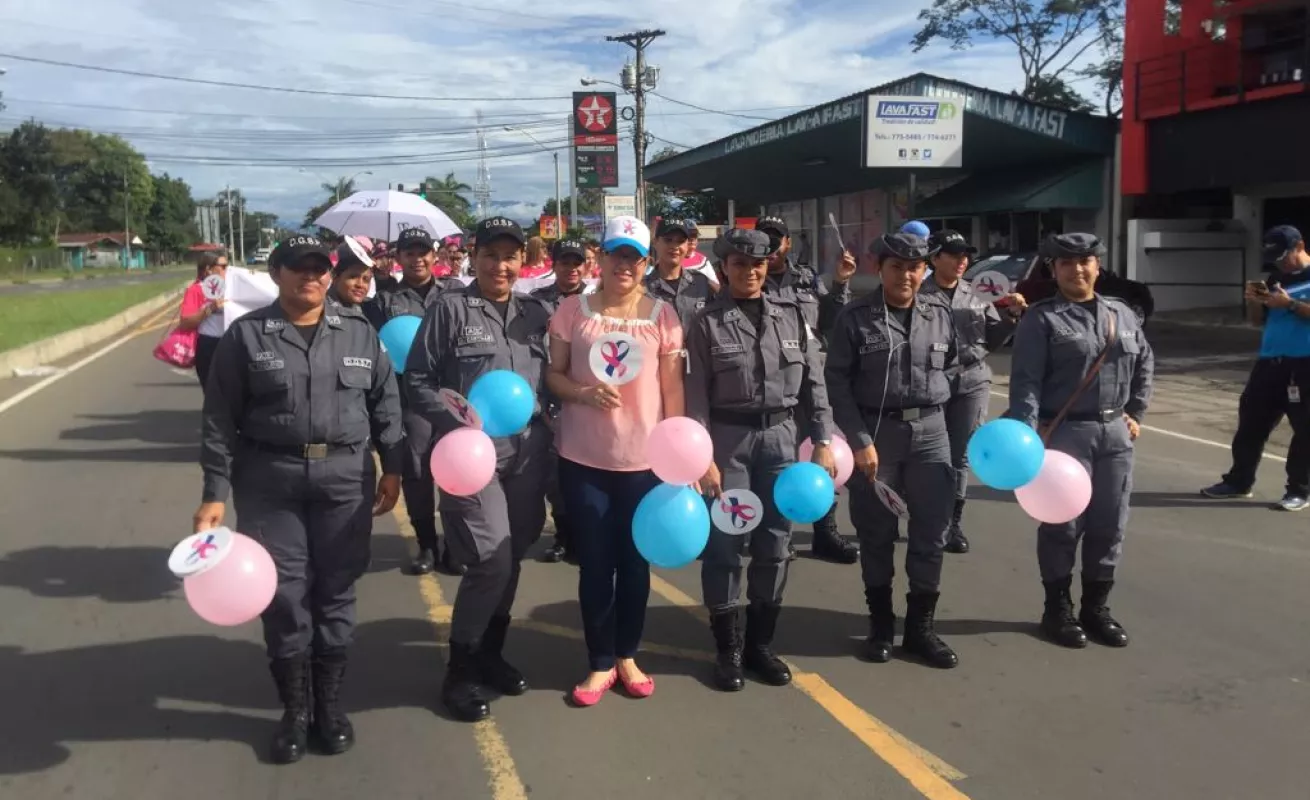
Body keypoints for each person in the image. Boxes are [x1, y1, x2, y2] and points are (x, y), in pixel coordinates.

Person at [193, 234, 404, 764]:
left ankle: (329, 706)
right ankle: (295, 710)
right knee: (284, 595)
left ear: (329, 275)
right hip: (270, 479)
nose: (310, 276)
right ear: (277, 272)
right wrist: (213, 492)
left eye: (319, 268)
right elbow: (219, 419)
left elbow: (386, 404)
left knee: (335, 591)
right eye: (298, 267)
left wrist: (394, 468)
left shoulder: (359, 332)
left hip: (343, 478)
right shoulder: (245, 337)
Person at [405, 216, 553, 722]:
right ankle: (461, 667)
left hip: (528, 451)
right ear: (475, 256)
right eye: (491, 254)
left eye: (510, 256)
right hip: (472, 453)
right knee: (491, 554)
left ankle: (492, 651)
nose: (501, 265)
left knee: (515, 553)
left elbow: (552, 378)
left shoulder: (536, 314)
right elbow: (418, 379)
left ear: (521, 260)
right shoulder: (449, 309)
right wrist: (456, 420)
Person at [686, 228, 837, 692]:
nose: (748, 271)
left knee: (776, 541)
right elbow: (695, 398)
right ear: (724, 266)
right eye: (738, 263)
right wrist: (701, 457)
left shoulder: (792, 316)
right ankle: (728, 649)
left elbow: (814, 384)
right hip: (728, 441)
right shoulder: (705, 321)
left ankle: (760, 646)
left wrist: (824, 439)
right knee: (725, 544)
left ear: (768, 265)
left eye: (757, 264)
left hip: (782, 440)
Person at [544, 215, 685, 707]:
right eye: (615, 254)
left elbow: (672, 392)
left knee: (635, 565)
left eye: (634, 256)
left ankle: (628, 654)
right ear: (599, 259)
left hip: (645, 465)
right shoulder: (571, 310)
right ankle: (600, 661)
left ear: (646, 264)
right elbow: (554, 377)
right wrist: (582, 393)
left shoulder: (663, 316)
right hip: (584, 460)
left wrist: (680, 456)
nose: (624, 264)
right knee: (595, 565)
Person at [1007, 233, 1154, 649]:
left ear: (1097, 266)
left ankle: (1096, 609)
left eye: (1085, 261)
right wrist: (1027, 433)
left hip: (1114, 436)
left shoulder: (1122, 314)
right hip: (1063, 433)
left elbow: (1144, 361)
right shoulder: (1042, 319)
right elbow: (1027, 383)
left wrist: (1136, 412)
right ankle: (1058, 609)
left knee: (1110, 525)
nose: (1077, 270)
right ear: (1053, 269)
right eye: (1066, 263)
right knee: (1062, 525)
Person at [825, 232, 960, 669]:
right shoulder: (855, 317)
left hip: (931, 434)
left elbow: (954, 368)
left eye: (914, 267)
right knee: (876, 533)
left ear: (925, 270)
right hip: (877, 436)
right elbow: (837, 383)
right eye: (896, 266)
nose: (906, 274)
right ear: (880, 269)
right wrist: (859, 440)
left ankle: (921, 629)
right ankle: (881, 624)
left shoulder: (940, 313)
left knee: (931, 532)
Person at [755, 214, 859, 565]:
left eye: (776, 239)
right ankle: (774, 534)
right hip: (771, 382)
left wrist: (842, 282)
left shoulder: (806, 279)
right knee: (778, 459)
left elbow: (830, 321)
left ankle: (825, 532)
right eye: (763, 238)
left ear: (787, 243)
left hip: (812, 378)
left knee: (823, 450)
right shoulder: (748, 278)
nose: (769, 245)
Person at [919, 230, 1026, 554]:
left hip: (972, 379)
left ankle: (952, 523)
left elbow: (991, 340)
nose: (962, 260)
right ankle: (921, 514)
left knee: (960, 453)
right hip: (930, 382)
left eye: (965, 254)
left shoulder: (977, 294)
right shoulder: (917, 293)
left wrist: (1011, 316)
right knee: (926, 454)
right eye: (953, 254)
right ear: (935, 258)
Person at [1201, 224, 1310, 511]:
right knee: (1251, 423)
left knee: (1305, 429)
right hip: (1269, 362)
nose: (1280, 262)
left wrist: (1289, 304)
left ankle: (1298, 489)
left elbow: (1294, 310)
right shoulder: (1276, 278)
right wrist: (1254, 303)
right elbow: (1256, 322)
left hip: (1304, 364)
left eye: (1284, 255)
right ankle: (1239, 481)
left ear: (1300, 246)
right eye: (1274, 257)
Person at [378, 227, 466, 576]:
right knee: (416, 471)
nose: (417, 259)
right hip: (410, 398)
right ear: (398, 258)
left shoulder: (456, 292)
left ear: (436, 256)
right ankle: (427, 545)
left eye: (423, 251)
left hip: (456, 396)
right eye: (409, 253)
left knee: (456, 471)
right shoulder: (385, 300)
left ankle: (455, 545)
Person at [532, 238, 591, 564]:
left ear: (587, 266)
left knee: (586, 474)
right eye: (565, 262)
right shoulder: (536, 303)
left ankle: (586, 536)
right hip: (552, 398)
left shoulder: (597, 301)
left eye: (577, 262)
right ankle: (563, 536)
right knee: (556, 477)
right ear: (553, 265)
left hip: (587, 396)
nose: (572, 268)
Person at [643, 218, 718, 330]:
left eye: (680, 241)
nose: (675, 246)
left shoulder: (703, 284)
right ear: (655, 243)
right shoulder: (642, 289)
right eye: (668, 240)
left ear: (687, 245)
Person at [177, 252, 229, 389]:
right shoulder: (196, 290)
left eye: (227, 266)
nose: (226, 270)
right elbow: (185, 323)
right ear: (208, 269)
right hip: (209, 345)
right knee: (212, 391)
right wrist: (209, 310)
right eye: (223, 266)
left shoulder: (233, 287)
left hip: (232, 343)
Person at [327, 241, 386, 330]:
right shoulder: (317, 311)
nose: (360, 285)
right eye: (353, 277)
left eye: (366, 279)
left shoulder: (373, 310)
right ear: (335, 276)